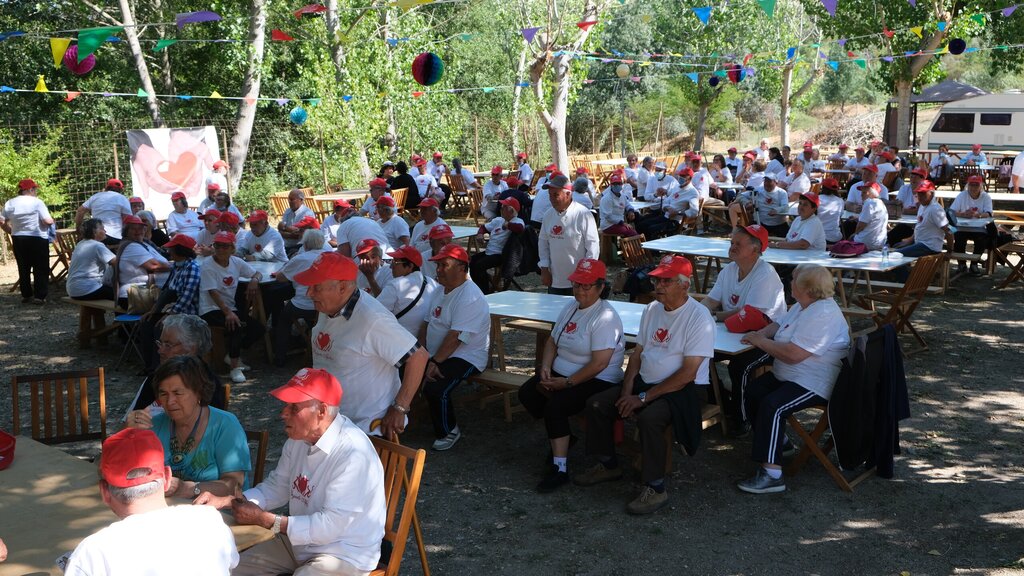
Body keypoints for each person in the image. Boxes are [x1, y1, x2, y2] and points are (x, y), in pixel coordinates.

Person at [194, 368, 386, 576]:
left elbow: (330, 526)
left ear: (322, 411)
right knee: (223, 568)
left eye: (294, 407)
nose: (283, 413)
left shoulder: (353, 454)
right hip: (298, 543)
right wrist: (231, 501)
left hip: (344, 553)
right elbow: (277, 486)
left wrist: (266, 520)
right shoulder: (299, 440)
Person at [576, 255, 714, 515]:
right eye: (657, 280)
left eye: (666, 281)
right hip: (646, 382)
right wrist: (627, 390)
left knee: (650, 419)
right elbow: (637, 355)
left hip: (684, 390)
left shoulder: (699, 317)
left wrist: (642, 398)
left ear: (684, 285)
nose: (658, 286)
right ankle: (608, 464)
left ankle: (656, 487)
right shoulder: (652, 309)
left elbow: (687, 374)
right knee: (597, 403)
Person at [736, 264, 850, 494]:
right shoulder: (804, 305)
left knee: (773, 406)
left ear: (806, 288)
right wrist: (761, 334)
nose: (789, 282)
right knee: (755, 391)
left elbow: (793, 355)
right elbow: (780, 324)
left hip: (816, 381)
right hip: (793, 374)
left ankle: (772, 475)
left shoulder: (823, 314)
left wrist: (760, 342)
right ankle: (780, 444)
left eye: (794, 279)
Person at [64, 428, 239, 575]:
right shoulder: (210, 520)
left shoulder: (92, 553)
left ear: (104, 492)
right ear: (167, 478)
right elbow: (231, 563)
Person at [517, 259, 625, 492]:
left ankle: (560, 469)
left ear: (601, 287)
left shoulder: (605, 317)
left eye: (586, 286)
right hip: (565, 373)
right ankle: (564, 436)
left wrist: (567, 383)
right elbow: (552, 341)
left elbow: (599, 363)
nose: (579, 290)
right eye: (577, 284)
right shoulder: (570, 307)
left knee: (555, 407)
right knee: (527, 393)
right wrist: (546, 366)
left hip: (599, 379)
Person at [294, 252, 428, 438]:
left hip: (365, 429)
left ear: (342, 287)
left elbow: (419, 356)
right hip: (332, 423)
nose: (309, 293)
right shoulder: (327, 307)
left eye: (316, 287)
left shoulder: (372, 319)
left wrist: (400, 407)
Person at [124, 355, 250, 496]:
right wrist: (127, 435)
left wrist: (187, 488)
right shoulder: (153, 425)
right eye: (163, 394)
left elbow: (234, 484)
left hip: (217, 508)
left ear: (198, 392)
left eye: (177, 393)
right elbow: (118, 472)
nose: (170, 401)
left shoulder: (225, 425)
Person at [701, 225, 786, 432]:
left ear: (755, 249)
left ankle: (742, 419)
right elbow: (711, 300)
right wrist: (697, 313)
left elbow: (748, 313)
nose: (732, 247)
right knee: (698, 354)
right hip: (731, 333)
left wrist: (715, 316)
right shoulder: (729, 270)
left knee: (739, 366)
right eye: (732, 242)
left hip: (767, 337)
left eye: (738, 244)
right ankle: (722, 402)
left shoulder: (765, 274)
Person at [420, 244, 491, 450]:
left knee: (436, 387)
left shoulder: (470, 296)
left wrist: (434, 362)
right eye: (438, 265)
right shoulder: (440, 290)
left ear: (461, 268)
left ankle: (449, 430)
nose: (438, 270)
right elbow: (426, 324)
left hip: (466, 356)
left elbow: (456, 338)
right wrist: (421, 354)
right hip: (439, 353)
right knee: (403, 370)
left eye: (444, 265)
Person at [199, 231, 263, 383]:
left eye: (225, 246)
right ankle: (234, 367)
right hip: (210, 308)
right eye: (217, 245)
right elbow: (213, 292)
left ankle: (232, 355)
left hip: (229, 307)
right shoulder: (207, 265)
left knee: (259, 329)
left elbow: (257, 273)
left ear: (232, 248)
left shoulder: (236, 262)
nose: (220, 249)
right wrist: (228, 313)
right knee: (236, 326)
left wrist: (254, 280)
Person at [136, 233, 203, 373]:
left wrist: (169, 316)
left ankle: (159, 367)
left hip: (186, 311)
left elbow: (187, 297)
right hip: (170, 308)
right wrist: (153, 310)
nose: (169, 252)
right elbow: (166, 290)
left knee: (161, 328)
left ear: (180, 250)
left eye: (172, 249)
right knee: (146, 324)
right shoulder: (176, 267)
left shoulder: (192, 268)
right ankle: (149, 365)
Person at [132, 313, 227, 411]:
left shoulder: (208, 384)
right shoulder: (156, 377)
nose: (160, 351)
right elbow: (136, 415)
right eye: (160, 343)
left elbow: (211, 419)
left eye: (168, 345)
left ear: (191, 348)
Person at [272, 229, 329, 366]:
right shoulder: (330, 257)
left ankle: (280, 356)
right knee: (314, 319)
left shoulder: (300, 258)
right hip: (325, 306)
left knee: (283, 318)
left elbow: (281, 278)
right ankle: (307, 341)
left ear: (306, 244)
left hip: (303, 305)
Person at [538, 174, 600, 296]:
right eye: (550, 195)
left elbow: (593, 246)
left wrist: (586, 273)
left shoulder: (583, 214)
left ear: (568, 194)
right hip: (555, 279)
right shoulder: (548, 215)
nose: (551, 199)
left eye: (555, 195)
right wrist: (544, 269)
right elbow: (543, 243)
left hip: (578, 280)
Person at [1, 179, 54, 304]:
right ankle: (39, 296)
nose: (36, 191)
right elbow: (47, 221)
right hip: (37, 237)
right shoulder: (37, 202)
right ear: (30, 189)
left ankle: (26, 294)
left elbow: (1, 221)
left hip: (18, 238)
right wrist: (52, 222)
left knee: (23, 267)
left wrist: (10, 230)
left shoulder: (10, 203)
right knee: (40, 267)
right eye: (35, 189)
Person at [377, 244, 438, 338]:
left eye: (395, 262)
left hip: (398, 339)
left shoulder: (396, 285)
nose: (391, 266)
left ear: (410, 266)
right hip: (423, 341)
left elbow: (374, 312)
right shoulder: (433, 283)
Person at [469, 198, 526, 294]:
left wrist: (508, 225)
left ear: (511, 211)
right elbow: (484, 227)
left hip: (501, 254)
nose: (501, 209)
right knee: (472, 261)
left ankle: (485, 292)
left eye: (504, 207)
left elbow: (520, 228)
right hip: (490, 251)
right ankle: (478, 288)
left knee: (479, 266)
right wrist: (480, 234)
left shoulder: (518, 221)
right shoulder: (498, 220)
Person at [116, 215, 171, 310]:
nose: (138, 231)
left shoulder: (144, 243)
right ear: (126, 232)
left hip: (148, 292)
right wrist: (177, 266)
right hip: (136, 296)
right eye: (133, 229)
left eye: (141, 228)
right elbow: (155, 266)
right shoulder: (131, 246)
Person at [892, 180, 951, 260]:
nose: (920, 196)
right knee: (894, 249)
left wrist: (949, 251)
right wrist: (909, 240)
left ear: (932, 194)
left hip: (929, 247)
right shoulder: (923, 206)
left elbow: (949, 230)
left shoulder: (935, 209)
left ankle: (908, 269)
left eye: (923, 193)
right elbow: (919, 226)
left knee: (896, 256)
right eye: (918, 193)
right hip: (921, 244)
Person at [636, 167, 698, 239]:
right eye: (680, 175)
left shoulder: (692, 192)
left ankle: (651, 246)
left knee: (651, 229)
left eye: (683, 176)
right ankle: (642, 244)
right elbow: (666, 201)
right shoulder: (677, 187)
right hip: (666, 216)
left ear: (690, 178)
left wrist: (678, 213)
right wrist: (668, 208)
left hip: (676, 221)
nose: (680, 177)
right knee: (641, 225)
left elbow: (694, 212)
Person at [951, 174, 994, 275]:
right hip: (962, 226)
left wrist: (978, 215)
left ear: (981, 186)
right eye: (971, 185)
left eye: (976, 185)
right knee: (958, 239)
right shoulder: (962, 195)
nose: (973, 187)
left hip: (979, 227)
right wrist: (963, 214)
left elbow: (989, 213)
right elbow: (951, 211)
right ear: (967, 185)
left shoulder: (986, 197)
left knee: (982, 240)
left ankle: (974, 264)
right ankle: (961, 264)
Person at [67, 218, 116, 300]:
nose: (105, 231)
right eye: (102, 228)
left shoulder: (81, 243)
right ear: (94, 231)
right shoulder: (97, 245)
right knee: (122, 296)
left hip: (72, 289)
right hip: (88, 289)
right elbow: (116, 262)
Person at [728, 173, 789, 237]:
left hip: (778, 223)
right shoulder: (758, 190)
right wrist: (747, 203)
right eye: (765, 181)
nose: (766, 183)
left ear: (776, 183)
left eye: (769, 181)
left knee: (788, 237)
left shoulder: (782, 193)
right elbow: (740, 196)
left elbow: (785, 207)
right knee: (749, 236)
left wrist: (776, 210)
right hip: (761, 223)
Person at [76, 178, 131, 246]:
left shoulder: (95, 197)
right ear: (120, 190)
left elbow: (80, 211)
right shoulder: (122, 198)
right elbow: (128, 219)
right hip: (115, 237)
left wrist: (78, 229)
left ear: (106, 187)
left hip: (95, 236)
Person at [887, 168, 928, 246]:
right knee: (895, 234)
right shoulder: (904, 188)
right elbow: (897, 208)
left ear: (923, 179)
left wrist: (916, 193)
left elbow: (920, 211)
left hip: (920, 227)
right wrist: (912, 210)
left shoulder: (926, 192)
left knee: (897, 233)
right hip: (905, 223)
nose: (913, 179)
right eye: (911, 177)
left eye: (916, 177)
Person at [279, 188, 317, 257]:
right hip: (284, 246)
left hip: (299, 247)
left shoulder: (307, 214)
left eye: (292, 199)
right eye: (289, 199)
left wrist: (285, 228)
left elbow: (299, 235)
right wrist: (290, 231)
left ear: (301, 200)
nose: (289, 202)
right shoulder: (287, 211)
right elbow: (280, 231)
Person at [851, 182, 888, 250]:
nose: (861, 195)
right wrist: (858, 218)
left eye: (864, 192)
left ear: (872, 193)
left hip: (866, 243)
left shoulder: (869, 203)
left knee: (849, 237)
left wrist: (854, 234)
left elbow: (860, 226)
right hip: (880, 242)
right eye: (862, 192)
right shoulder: (881, 203)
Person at [599, 173, 638, 237]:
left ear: (622, 184)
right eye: (614, 184)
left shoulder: (623, 196)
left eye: (619, 183)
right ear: (611, 185)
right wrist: (622, 223)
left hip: (619, 223)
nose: (617, 185)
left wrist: (631, 211)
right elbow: (608, 216)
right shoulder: (607, 198)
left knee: (636, 225)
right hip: (608, 225)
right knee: (630, 232)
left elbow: (628, 205)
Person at [817, 178, 845, 245]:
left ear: (823, 187)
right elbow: (840, 215)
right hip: (836, 237)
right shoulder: (840, 201)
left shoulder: (817, 198)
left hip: (820, 237)